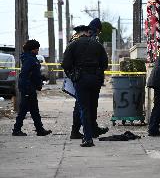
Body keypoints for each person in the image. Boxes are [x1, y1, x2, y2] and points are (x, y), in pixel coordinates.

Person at [62, 18, 108, 147]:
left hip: (80, 79)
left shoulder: (73, 45)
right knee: (92, 107)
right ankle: (92, 131)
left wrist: (72, 76)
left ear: (78, 33)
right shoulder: (97, 44)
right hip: (95, 79)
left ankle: (88, 138)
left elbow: (65, 64)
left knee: (83, 108)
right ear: (87, 32)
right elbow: (105, 64)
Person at [12, 39, 52, 136]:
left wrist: (41, 78)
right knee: (24, 109)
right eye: (37, 49)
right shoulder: (29, 59)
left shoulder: (30, 58)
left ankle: (39, 129)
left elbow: (33, 73)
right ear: (32, 49)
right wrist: (26, 87)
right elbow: (25, 74)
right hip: (27, 87)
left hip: (30, 87)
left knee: (34, 109)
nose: (38, 51)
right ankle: (16, 130)